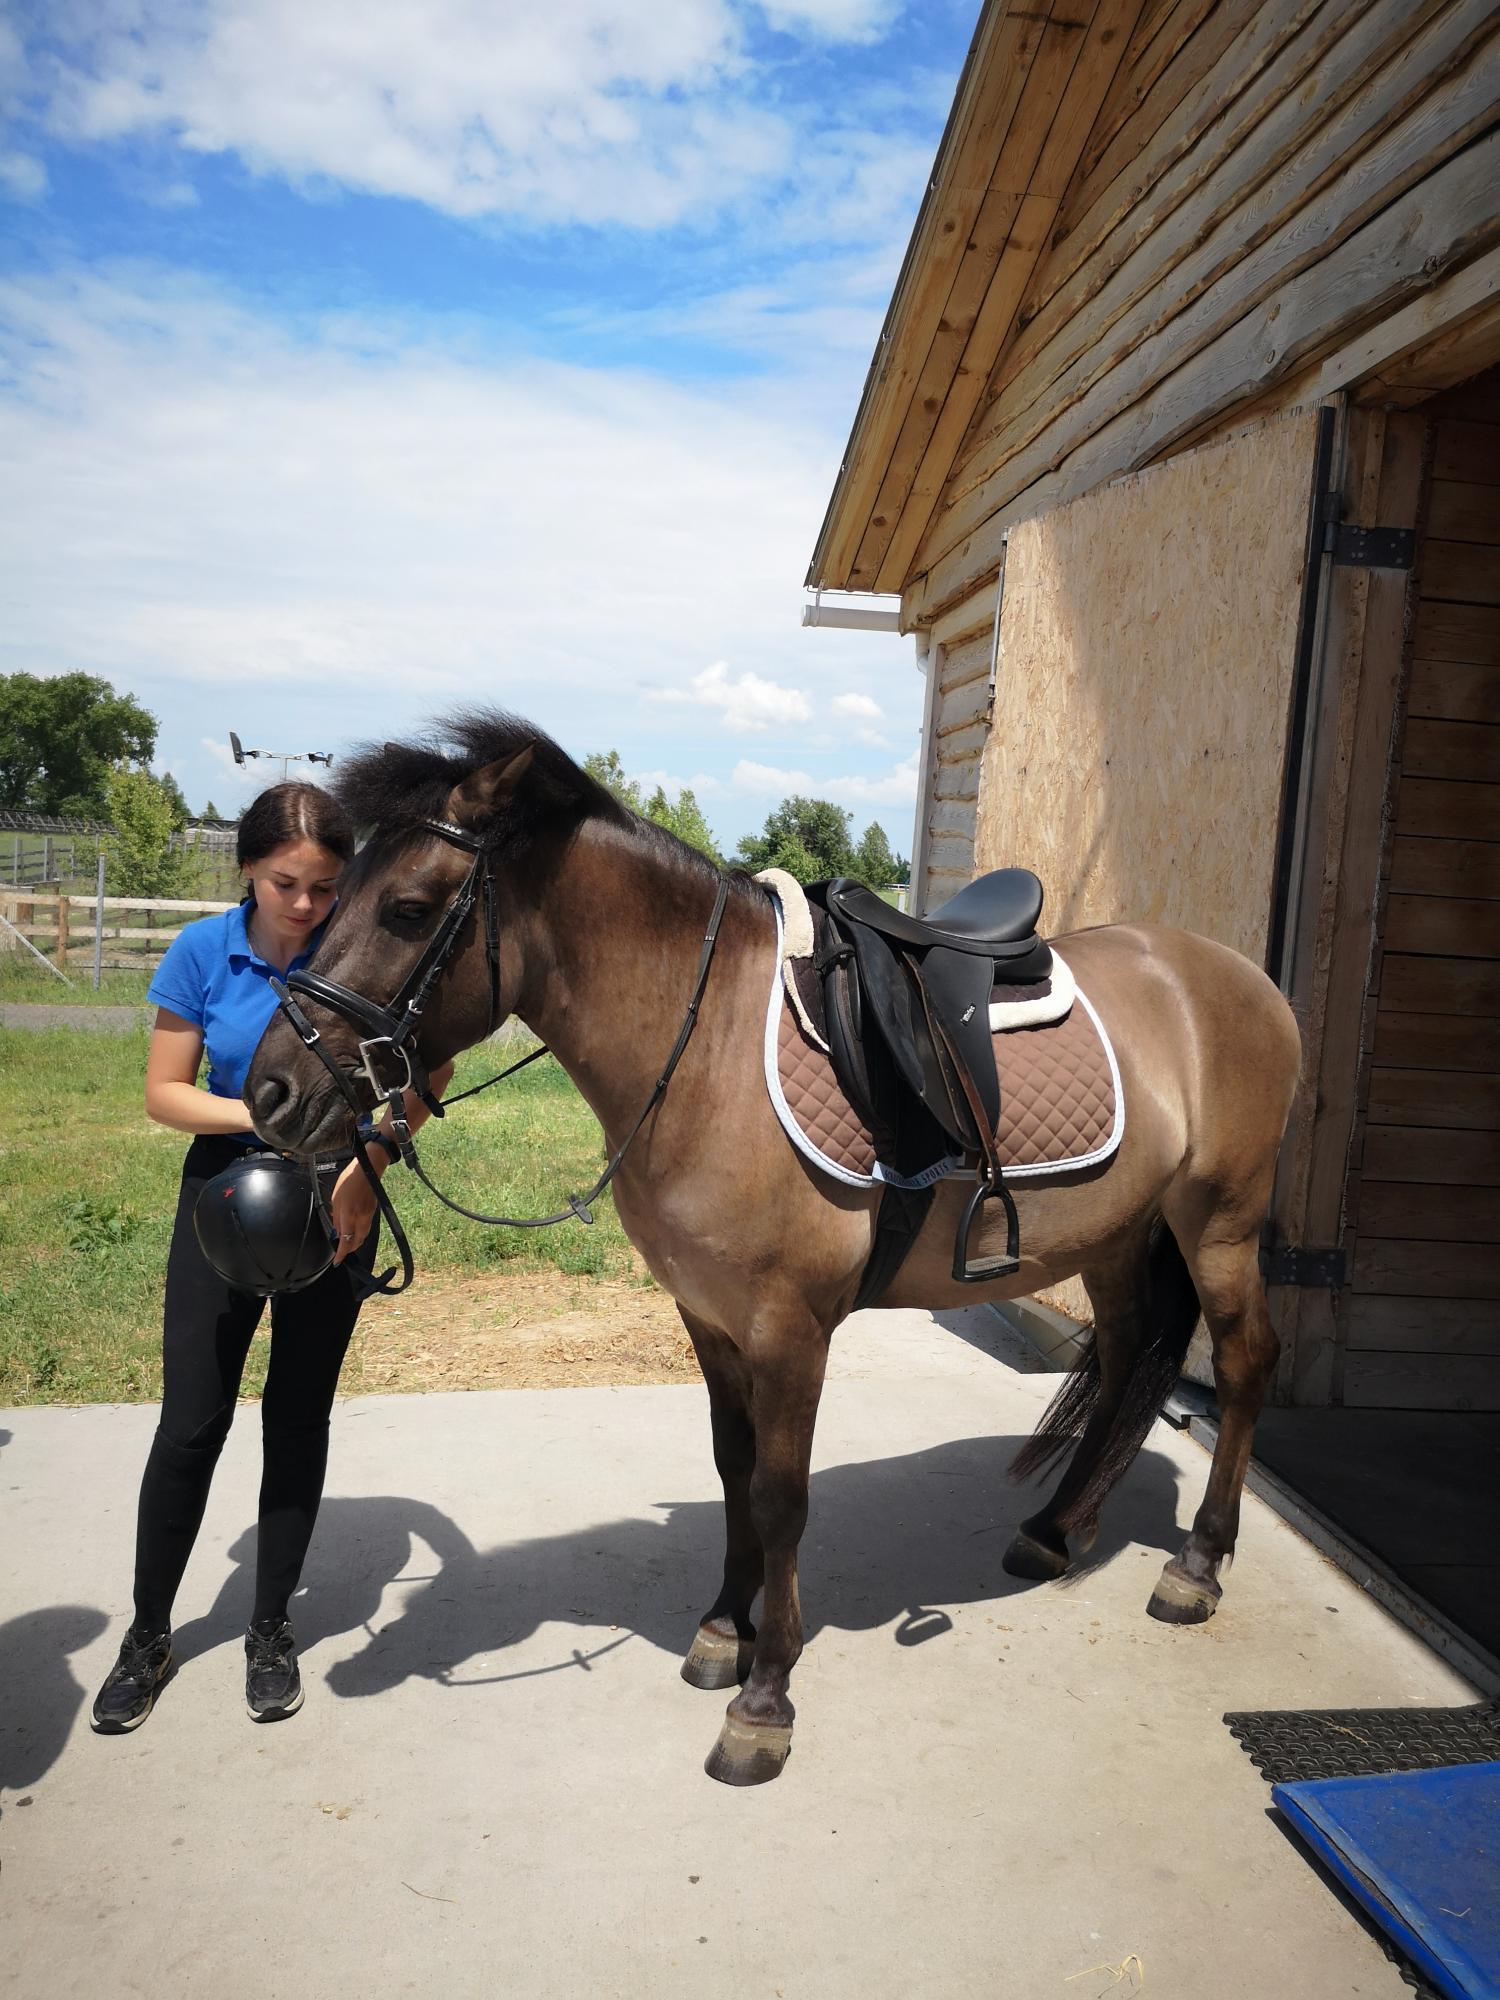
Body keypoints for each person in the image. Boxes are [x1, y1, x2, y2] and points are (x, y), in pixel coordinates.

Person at [91, 782, 451, 1732]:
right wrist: (269, 1115)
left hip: (337, 1190)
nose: (304, 904)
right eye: (286, 882)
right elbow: (165, 1093)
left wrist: (366, 1169)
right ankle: (148, 1635)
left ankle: (268, 1629)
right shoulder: (205, 952)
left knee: (298, 1417)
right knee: (191, 1422)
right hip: (223, 1194)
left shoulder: (366, 953)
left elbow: (434, 1073)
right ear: (249, 867)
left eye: (325, 887)